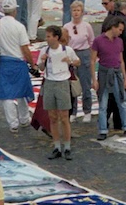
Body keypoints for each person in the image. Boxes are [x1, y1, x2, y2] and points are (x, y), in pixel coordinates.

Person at [0, 0, 36, 133]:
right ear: (15, 10)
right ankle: (24, 118)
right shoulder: (19, 27)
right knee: (22, 92)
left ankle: (13, 123)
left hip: (2, 63)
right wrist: (32, 64)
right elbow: (25, 48)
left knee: (7, 95)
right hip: (17, 62)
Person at [38, 25, 79, 160]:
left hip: (62, 82)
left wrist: (70, 61)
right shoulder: (44, 50)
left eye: (49, 36)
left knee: (64, 117)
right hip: (49, 82)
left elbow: (78, 61)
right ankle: (56, 146)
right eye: (47, 36)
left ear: (56, 37)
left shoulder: (67, 50)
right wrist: (42, 61)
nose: (47, 39)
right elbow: (40, 67)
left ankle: (67, 146)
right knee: (53, 117)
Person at [92, 16, 126, 141]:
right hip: (104, 74)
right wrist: (94, 80)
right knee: (103, 103)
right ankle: (103, 129)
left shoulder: (119, 41)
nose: (120, 32)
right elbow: (92, 61)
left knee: (121, 101)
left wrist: (125, 78)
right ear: (113, 27)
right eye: (119, 29)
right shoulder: (98, 41)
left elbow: (121, 60)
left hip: (117, 73)